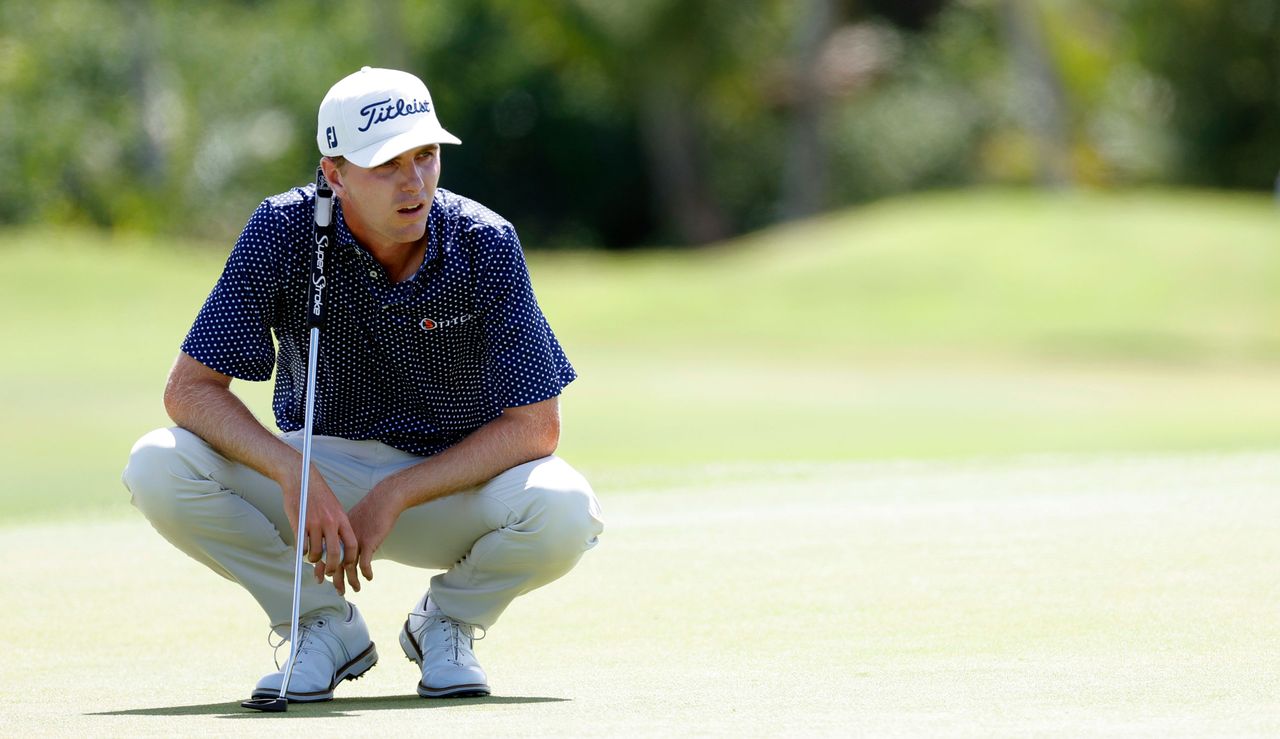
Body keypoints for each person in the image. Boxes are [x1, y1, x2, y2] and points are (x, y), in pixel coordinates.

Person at [122, 67, 604, 702]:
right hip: (319, 476)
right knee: (157, 464)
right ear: (334, 173)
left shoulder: (485, 242)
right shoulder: (282, 230)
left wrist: (396, 493)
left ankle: (447, 623)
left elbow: (535, 427)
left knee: (566, 509)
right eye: (386, 165)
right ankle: (320, 624)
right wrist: (292, 469)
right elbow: (190, 390)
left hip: (447, 485)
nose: (415, 183)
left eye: (426, 156)